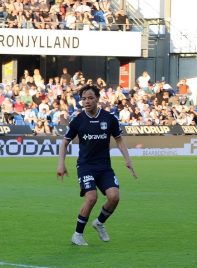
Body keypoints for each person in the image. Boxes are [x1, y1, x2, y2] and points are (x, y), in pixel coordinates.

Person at [56, 84, 137, 246]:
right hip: (86, 166)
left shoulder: (109, 118)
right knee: (92, 197)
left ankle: (99, 222)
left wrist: (128, 159)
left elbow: (119, 140)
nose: (86, 101)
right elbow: (64, 143)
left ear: (98, 99)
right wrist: (61, 164)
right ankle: (77, 234)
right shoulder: (78, 120)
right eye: (83, 99)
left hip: (104, 167)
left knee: (114, 197)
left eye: (90, 98)